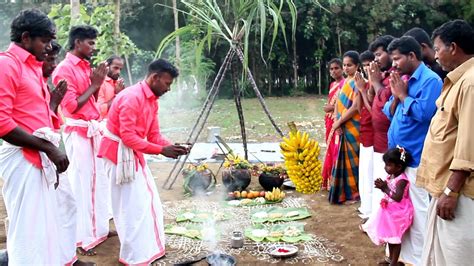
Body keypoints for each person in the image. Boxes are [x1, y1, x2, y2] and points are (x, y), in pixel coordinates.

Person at [98, 59, 189, 264]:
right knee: (131, 208)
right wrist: (161, 150)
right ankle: (134, 256)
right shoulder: (131, 98)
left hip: (131, 155)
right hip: (117, 156)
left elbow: (154, 135)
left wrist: (173, 146)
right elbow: (128, 137)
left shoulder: (151, 100)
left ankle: (146, 250)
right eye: (167, 84)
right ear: (155, 77)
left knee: (147, 203)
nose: (168, 89)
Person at [0, 8, 69, 264]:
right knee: (28, 228)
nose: (49, 46)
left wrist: (52, 105)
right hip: (21, 158)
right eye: (45, 40)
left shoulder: (33, 68)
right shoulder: (7, 64)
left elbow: (35, 116)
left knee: (41, 227)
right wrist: (50, 149)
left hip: (37, 156)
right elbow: (2, 123)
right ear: (26, 37)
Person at [416, 20, 474, 265]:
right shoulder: (459, 80)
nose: (436, 55)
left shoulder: (470, 83)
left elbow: (469, 143)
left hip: (460, 194)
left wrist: (451, 190)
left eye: (438, 48)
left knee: (456, 258)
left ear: (453, 47)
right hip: (447, 189)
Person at [383, 36, 442, 265]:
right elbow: (389, 111)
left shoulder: (431, 81)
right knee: (397, 211)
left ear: (412, 56)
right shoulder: (401, 78)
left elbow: (425, 114)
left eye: (397, 59)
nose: (394, 64)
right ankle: (402, 257)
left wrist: (403, 95)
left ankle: (419, 259)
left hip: (416, 159)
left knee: (418, 214)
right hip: (397, 160)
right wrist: (397, 96)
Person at [52, 25, 110, 256]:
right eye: (91, 43)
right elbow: (72, 107)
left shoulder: (86, 67)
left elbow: (91, 102)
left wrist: (96, 84)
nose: (94, 48)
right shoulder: (64, 69)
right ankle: (80, 236)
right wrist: (95, 84)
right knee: (81, 184)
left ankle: (98, 229)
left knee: (98, 182)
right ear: (77, 43)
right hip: (79, 134)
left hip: (92, 131)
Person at [363, 147, 414, 266]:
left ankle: (394, 263)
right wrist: (384, 185)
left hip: (397, 213)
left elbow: (397, 197)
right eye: (385, 164)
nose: (385, 167)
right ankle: (391, 260)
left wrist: (384, 188)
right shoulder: (391, 176)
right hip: (389, 211)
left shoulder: (402, 180)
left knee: (395, 239)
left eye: (389, 165)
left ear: (399, 167)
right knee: (390, 238)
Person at [366, 35, 396, 221]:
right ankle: (379, 221)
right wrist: (372, 82)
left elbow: (385, 102)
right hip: (378, 139)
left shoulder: (395, 75)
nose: (376, 59)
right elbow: (372, 100)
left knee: (387, 185)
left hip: (388, 141)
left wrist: (375, 82)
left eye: (379, 54)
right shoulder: (382, 76)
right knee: (379, 182)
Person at [329, 51, 361, 204]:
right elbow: (337, 105)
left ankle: (354, 194)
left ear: (357, 66)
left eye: (350, 65)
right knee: (342, 158)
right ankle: (344, 193)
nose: (346, 68)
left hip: (353, 126)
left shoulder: (358, 81)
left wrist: (339, 122)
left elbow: (355, 107)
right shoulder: (344, 82)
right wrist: (337, 121)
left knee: (353, 160)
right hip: (342, 124)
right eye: (345, 65)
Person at [356, 50, 375, 219]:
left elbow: (374, 111)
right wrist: (359, 90)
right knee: (364, 173)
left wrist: (363, 90)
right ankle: (365, 206)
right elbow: (358, 108)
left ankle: (370, 209)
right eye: (365, 66)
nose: (368, 68)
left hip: (374, 134)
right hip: (364, 132)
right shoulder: (366, 84)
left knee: (370, 174)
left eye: (370, 64)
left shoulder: (376, 85)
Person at [322, 58, 344, 190]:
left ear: (342, 69)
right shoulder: (332, 85)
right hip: (329, 120)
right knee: (329, 148)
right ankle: (329, 179)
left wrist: (331, 107)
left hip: (337, 119)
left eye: (336, 68)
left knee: (335, 148)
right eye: (331, 69)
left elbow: (344, 103)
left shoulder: (344, 84)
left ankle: (336, 181)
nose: (334, 71)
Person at [97, 55, 125, 120]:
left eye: (120, 69)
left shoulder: (118, 84)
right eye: (115, 68)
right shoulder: (100, 83)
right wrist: (117, 95)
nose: (118, 72)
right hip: (103, 125)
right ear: (107, 66)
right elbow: (100, 110)